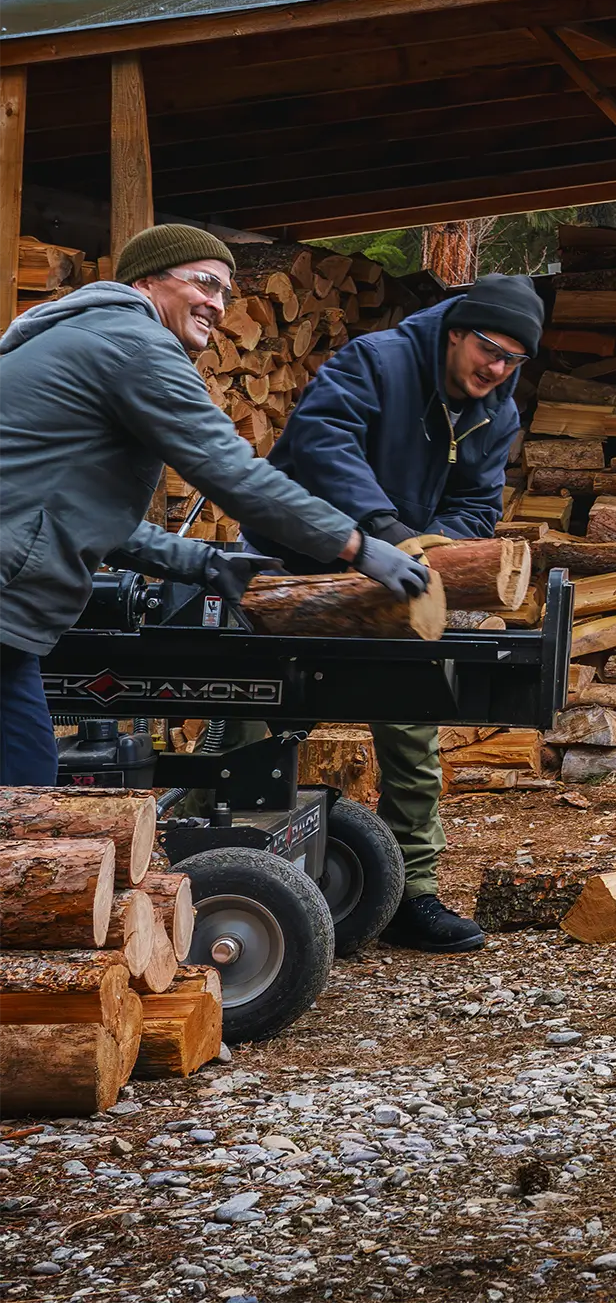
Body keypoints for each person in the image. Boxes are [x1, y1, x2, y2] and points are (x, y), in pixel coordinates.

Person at [0, 226, 434, 785]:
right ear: (148, 281)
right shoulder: (135, 344)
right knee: (24, 796)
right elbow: (231, 472)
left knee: (24, 789)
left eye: (227, 291)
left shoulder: (90, 335)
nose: (218, 304)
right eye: (205, 282)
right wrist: (358, 546)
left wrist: (202, 564)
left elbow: (71, 515)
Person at [246, 274, 544, 951]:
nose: (496, 371)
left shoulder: (496, 410)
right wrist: (380, 530)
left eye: (512, 362)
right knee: (257, 720)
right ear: (457, 332)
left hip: (402, 576)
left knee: (412, 727)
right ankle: (219, 864)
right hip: (299, 562)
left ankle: (413, 893)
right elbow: (322, 447)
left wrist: (431, 550)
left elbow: (478, 501)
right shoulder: (376, 361)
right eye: (489, 351)